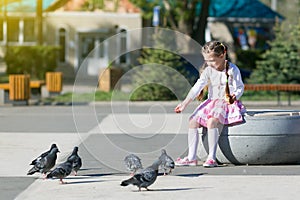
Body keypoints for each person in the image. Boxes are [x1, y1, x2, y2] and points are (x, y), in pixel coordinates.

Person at [174, 41, 246, 168]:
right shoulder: (208, 70)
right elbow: (197, 87)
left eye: (212, 60)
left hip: (226, 103)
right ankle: (191, 157)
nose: (209, 63)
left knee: (212, 122)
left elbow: (239, 87)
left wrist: (235, 95)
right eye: (206, 60)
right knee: (192, 121)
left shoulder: (232, 69)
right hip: (211, 102)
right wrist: (185, 103)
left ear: (222, 55)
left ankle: (211, 158)